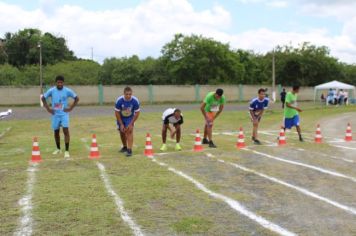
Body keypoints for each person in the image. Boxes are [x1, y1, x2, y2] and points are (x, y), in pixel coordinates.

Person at [41, 75, 79, 158]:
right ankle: (58, 149)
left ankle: (66, 151)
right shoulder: (51, 90)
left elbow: (77, 98)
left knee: (66, 131)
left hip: (64, 114)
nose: (60, 84)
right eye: (58, 82)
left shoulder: (67, 91)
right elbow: (43, 98)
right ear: (56, 83)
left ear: (63, 83)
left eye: (61, 82)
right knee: (56, 132)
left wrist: (70, 108)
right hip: (55, 115)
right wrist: (48, 109)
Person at [115, 87, 140, 157]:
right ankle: (125, 147)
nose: (128, 96)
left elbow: (137, 113)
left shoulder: (135, 101)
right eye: (127, 94)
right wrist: (121, 124)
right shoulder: (119, 100)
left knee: (129, 131)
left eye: (130, 94)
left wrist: (131, 123)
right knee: (122, 131)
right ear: (124, 94)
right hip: (121, 117)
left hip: (130, 117)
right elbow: (116, 112)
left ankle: (129, 150)